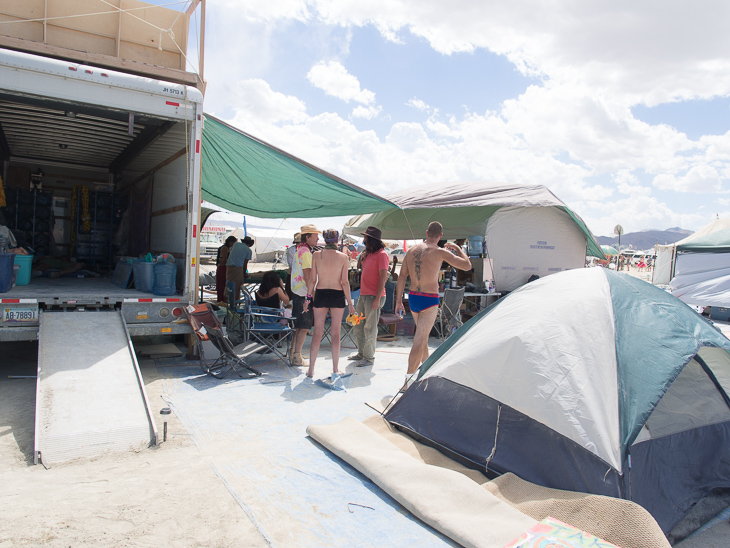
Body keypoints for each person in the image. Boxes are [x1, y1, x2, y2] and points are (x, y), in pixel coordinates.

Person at [395, 221, 472, 391]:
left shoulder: (412, 250)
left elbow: (401, 276)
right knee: (420, 339)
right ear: (441, 236)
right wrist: (459, 249)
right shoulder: (440, 252)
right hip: (429, 299)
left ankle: (427, 372)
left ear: (427, 232)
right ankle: (407, 383)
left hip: (413, 297)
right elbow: (467, 266)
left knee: (422, 339)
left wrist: (399, 300)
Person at [305, 229, 356, 379]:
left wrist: (307, 299)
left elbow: (312, 281)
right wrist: (351, 305)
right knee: (335, 334)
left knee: (317, 333)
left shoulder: (316, 255)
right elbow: (345, 282)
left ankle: (310, 370)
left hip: (321, 293)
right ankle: (335, 369)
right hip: (337, 294)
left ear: (324, 239)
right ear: (336, 240)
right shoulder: (343, 257)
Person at [348, 226, 389, 367]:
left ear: (371, 240)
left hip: (373, 296)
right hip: (364, 294)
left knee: (370, 327)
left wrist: (377, 299)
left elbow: (383, 277)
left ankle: (369, 357)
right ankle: (361, 353)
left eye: (366, 238)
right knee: (358, 324)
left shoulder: (382, 255)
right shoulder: (369, 254)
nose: (364, 240)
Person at [290, 224, 320, 366]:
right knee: (303, 328)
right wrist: (312, 296)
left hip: (298, 293)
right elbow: (309, 278)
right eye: (315, 236)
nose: (317, 238)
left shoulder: (300, 250)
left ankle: (294, 353)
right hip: (304, 294)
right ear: (307, 237)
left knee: (299, 327)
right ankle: (297, 357)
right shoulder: (306, 253)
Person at [226, 236, 254, 302]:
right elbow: (245, 263)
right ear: (249, 244)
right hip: (237, 268)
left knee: (228, 284)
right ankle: (234, 303)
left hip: (229, 267)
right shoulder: (248, 250)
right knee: (236, 287)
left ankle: (227, 300)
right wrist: (244, 273)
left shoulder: (236, 244)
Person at [216, 235, 237, 303]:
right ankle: (221, 300)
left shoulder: (227, 248)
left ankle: (221, 299)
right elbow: (223, 258)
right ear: (230, 242)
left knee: (221, 284)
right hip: (223, 267)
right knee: (222, 284)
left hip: (222, 267)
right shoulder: (225, 248)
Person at [285, 232, 300, 300]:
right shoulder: (291, 250)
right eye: (297, 242)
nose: (298, 244)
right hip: (292, 275)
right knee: (291, 296)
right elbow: (291, 264)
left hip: (301, 276)